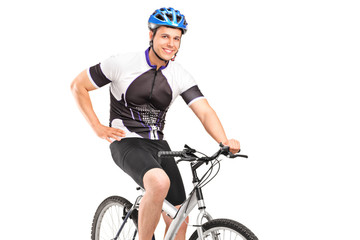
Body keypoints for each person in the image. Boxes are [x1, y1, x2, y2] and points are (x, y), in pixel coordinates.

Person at [71, 7, 240, 240]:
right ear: (151, 36)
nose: (171, 43)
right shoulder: (121, 63)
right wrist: (96, 126)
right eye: (165, 36)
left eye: (176, 38)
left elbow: (204, 111)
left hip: (160, 148)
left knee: (180, 220)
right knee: (159, 183)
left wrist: (224, 141)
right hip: (127, 142)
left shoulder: (180, 75)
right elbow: (78, 86)